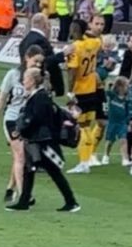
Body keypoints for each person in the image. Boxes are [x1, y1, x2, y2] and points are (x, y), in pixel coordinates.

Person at [8, 67, 80, 212]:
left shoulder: (40, 97)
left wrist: (22, 128)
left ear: (33, 81)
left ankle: (71, 202)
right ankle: (24, 201)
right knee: (29, 169)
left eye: (26, 78)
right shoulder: (37, 96)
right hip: (36, 139)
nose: (23, 81)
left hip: (43, 141)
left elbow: (37, 118)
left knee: (52, 171)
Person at [0, 46, 45, 204]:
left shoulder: (41, 78)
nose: (38, 65)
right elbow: (2, 99)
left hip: (28, 121)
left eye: (40, 62)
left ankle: (10, 188)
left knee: (19, 156)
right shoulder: (13, 75)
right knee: (20, 155)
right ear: (26, 58)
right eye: (35, 61)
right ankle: (23, 194)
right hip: (12, 120)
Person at [66, 17, 105, 174]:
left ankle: (83, 163)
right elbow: (96, 37)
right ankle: (86, 161)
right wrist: (86, 33)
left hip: (80, 91)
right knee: (87, 126)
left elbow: (72, 71)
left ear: (75, 30)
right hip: (92, 90)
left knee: (81, 128)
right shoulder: (94, 44)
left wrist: (70, 92)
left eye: (72, 28)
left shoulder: (75, 47)